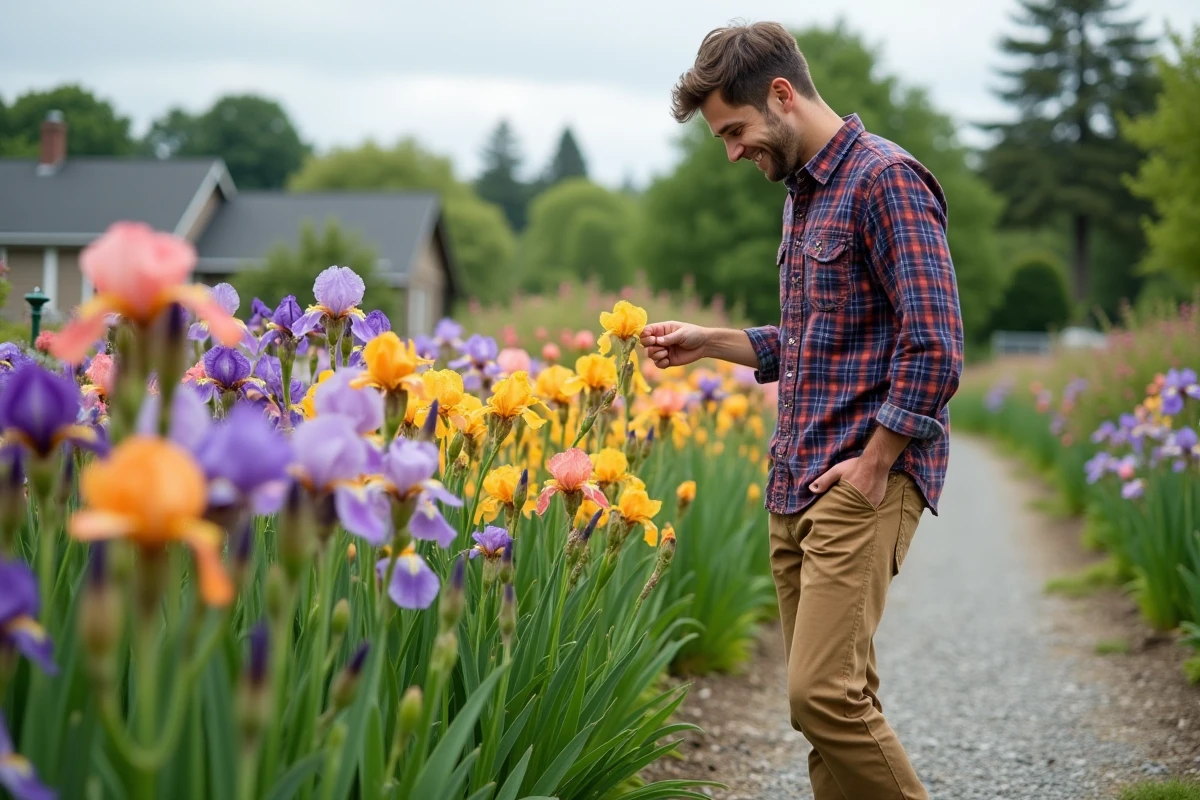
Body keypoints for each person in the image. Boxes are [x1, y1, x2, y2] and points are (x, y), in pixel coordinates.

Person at [640, 21, 964, 800]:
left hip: (861, 479)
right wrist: (710, 341)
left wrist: (876, 464)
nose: (731, 151)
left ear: (782, 95)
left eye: (735, 129)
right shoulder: (803, 195)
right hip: (795, 482)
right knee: (832, 708)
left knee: (820, 695)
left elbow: (936, 345)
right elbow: (822, 340)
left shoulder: (886, 180)